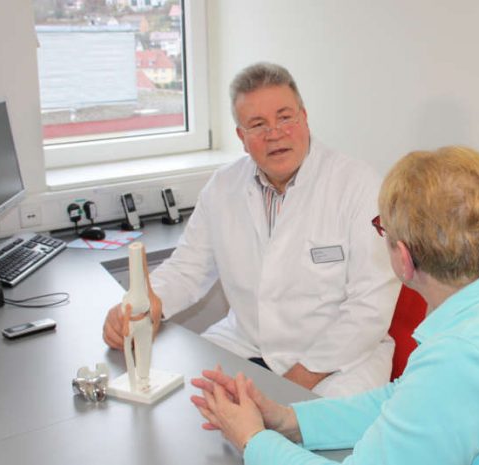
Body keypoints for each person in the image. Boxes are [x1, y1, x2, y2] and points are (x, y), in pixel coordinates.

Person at [191, 146, 479, 464]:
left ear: (403, 257)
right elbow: (406, 403)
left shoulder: (465, 355)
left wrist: (253, 441)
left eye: (382, 229)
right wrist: (289, 420)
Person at [103, 62, 401, 397]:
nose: (274, 133)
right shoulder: (223, 187)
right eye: (257, 125)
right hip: (245, 342)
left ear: (304, 117)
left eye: (285, 117)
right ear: (241, 138)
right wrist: (143, 306)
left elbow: (370, 305)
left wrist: (295, 381)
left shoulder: (358, 185)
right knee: (184, 402)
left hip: (339, 361)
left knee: (310, 436)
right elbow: (188, 268)